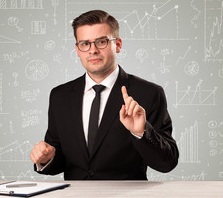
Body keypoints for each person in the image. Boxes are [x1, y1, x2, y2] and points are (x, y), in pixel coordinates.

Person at [30, 10, 179, 180]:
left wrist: (141, 133)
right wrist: (47, 158)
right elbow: (61, 159)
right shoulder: (60, 96)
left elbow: (168, 163)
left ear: (118, 45)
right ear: (78, 50)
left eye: (101, 42)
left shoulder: (149, 93)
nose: (92, 50)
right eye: (85, 43)